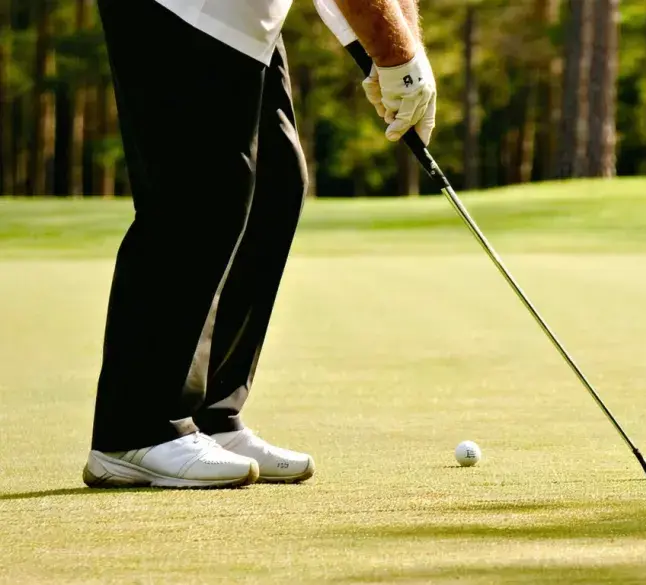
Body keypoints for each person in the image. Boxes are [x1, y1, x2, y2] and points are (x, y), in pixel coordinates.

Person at [83, 0, 436, 489]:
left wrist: (405, 52)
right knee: (202, 191)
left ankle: (211, 415)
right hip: (182, 10)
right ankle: (136, 430)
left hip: (244, 17)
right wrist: (396, 56)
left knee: (275, 184)